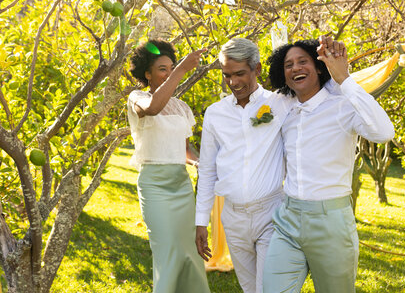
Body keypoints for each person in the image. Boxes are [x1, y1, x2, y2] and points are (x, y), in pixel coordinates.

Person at [263, 37, 394, 293]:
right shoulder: (284, 107)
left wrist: (343, 78)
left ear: (319, 67)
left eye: (303, 62)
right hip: (287, 219)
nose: (295, 68)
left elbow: (384, 132)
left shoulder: (342, 105)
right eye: (288, 65)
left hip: (331, 222)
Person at [194, 37, 299, 293]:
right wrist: (200, 222)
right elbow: (207, 170)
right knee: (250, 288)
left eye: (240, 73)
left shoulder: (281, 103)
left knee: (270, 287)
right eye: (227, 75)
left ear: (257, 69)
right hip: (232, 217)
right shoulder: (215, 113)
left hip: (271, 213)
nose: (233, 82)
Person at [127, 40, 210, 293]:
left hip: (181, 186)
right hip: (155, 186)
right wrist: (182, 70)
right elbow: (153, 109)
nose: (169, 73)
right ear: (147, 74)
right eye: (163, 69)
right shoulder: (137, 98)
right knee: (168, 252)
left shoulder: (182, 108)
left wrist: (199, 163)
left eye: (171, 68)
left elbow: (185, 149)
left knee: (189, 252)